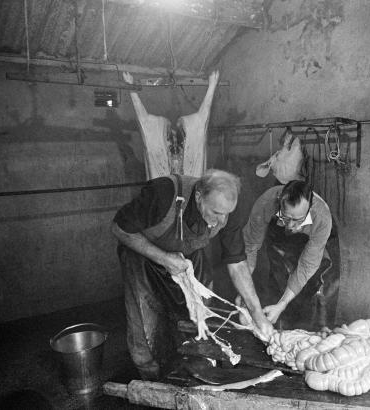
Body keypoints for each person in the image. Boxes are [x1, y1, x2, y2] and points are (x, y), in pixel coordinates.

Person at [111, 169, 273, 380]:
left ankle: (194, 370)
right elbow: (119, 228)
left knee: (200, 318)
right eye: (215, 212)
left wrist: (257, 313)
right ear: (198, 196)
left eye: (227, 213)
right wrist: (164, 259)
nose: (222, 220)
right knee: (145, 322)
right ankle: (150, 378)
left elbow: (237, 261)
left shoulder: (228, 210)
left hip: (187, 259)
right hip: (142, 258)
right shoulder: (163, 194)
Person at [242, 180, 336, 330]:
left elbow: (307, 266)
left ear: (310, 208)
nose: (291, 226)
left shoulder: (322, 218)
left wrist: (282, 304)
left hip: (310, 241)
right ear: (280, 202)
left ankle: (309, 327)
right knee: (278, 277)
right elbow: (250, 247)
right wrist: (244, 291)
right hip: (279, 237)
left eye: (297, 220)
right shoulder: (266, 203)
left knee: (314, 282)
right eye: (286, 218)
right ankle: (274, 326)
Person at [122, 70, 219, 178]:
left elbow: (202, 120)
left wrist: (212, 86)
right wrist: (212, 86)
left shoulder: (187, 142)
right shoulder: (160, 142)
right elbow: (143, 121)